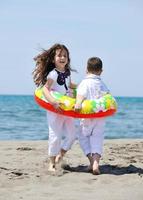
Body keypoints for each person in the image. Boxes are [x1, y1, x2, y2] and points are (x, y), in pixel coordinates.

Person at [33, 43, 77, 173]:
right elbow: (46, 89)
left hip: (66, 108)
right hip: (55, 109)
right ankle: (51, 163)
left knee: (72, 135)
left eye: (65, 55)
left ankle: (60, 156)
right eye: (59, 55)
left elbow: (68, 87)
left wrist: (80, 89)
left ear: (68, 59)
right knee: (55, 136)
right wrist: (53, 102)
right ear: (53, 59)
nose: (62, 57)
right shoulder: (52, 74)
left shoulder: (68, 73)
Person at [74, 57, 110, 175]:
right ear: (101, 71)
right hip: (99, 118)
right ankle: (95, 164)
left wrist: (78, 103)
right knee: (97, 139)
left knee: (82, 136)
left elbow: (80, 94)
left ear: (86, 70)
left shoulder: (85, 82)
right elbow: (107, 98)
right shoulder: (102, 83)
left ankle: (91, 160)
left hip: (87, 117)